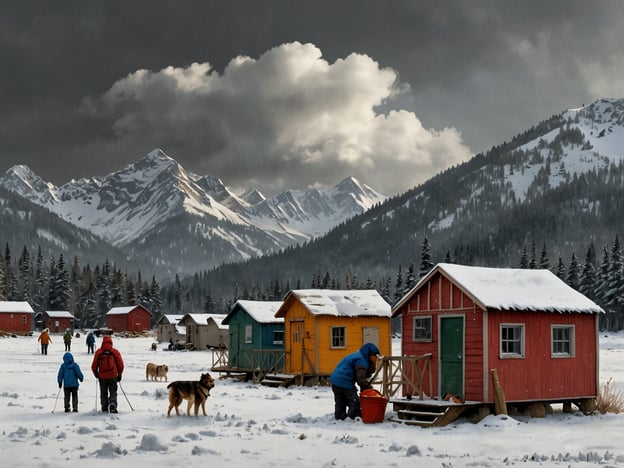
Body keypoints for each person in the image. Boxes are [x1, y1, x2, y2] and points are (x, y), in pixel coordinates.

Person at [329, 342, 380, 420]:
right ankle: (354, 418)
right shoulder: (362, 360)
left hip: (335, 380)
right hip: (345, 381)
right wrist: (368, 388)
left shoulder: (357, 355)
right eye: (375, 356)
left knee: (340, 401)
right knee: (354, 401)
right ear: (370, 355)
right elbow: (361, 378)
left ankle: (339, 417)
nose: (376, 358)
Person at [91, 335, 124, 413]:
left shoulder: (99, 352)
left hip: (102, 376)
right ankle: (112, 404)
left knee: (103, 392)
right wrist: (119, 374)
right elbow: (120, 364)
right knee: (113, 391)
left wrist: (96, 373)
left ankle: (104, 406)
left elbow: (94, 365)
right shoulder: (115, 352)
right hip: (113, 376)